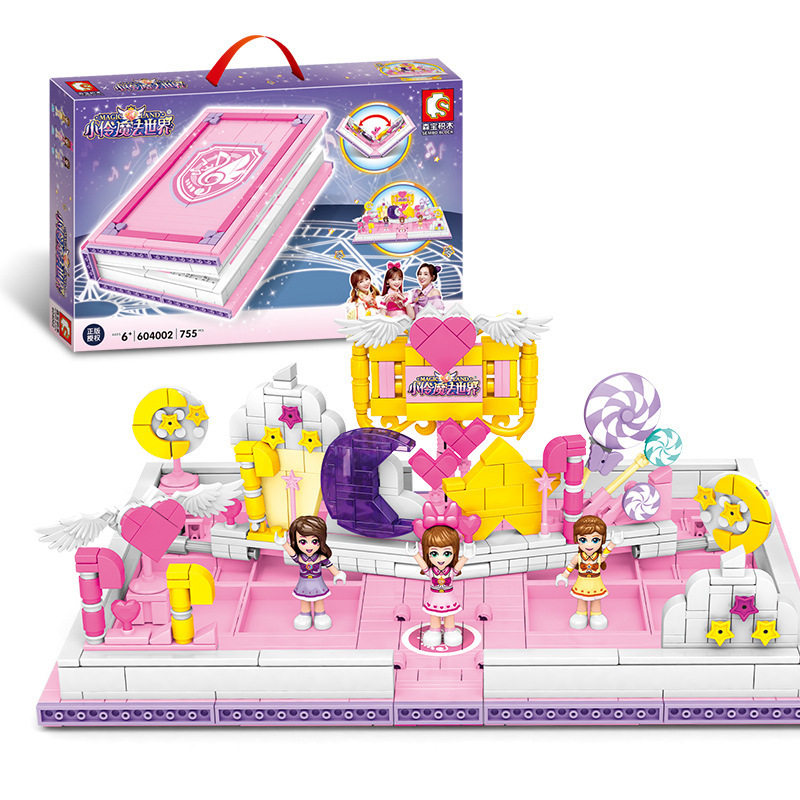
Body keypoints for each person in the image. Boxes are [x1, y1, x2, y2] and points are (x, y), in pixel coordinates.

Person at [555, 515, 623, 630]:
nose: (589, 545)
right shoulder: (578, 557)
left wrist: (613, 543)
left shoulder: (598, 557)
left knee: (596, 599)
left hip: (595, 582)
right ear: (577, 539)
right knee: (581, 599)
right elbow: (571, 566)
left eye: (595, 540)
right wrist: (564, 576)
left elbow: (606, 553)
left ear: (602, 539)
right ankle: (581, 613)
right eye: (583, 540)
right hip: (582, 581)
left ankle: (596, 614)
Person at [409, 525, 469, 647]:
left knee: (449, 616)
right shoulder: (431, 572)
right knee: (434, 616)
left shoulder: (450, 571)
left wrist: (466, 557)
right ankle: (434, 630)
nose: (440, 558)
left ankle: (450, 630)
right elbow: (423, 566)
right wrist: (415, 555)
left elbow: (458, 567)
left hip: (448, 598)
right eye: (434, 553)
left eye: (446, 553)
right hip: (434, 598)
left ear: (454, 552)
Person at [282, 515, 346, 631]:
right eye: (303, 541)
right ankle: (304, 614)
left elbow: (330, 566)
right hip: (304, 583)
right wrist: (284, 544)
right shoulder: (300, 558)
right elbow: (292, 554)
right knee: (304, 599)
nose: (309, 546)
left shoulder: (321, 557)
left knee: (319, 599)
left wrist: (338, 574)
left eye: (314, 541)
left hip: (317, 582)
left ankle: (320, 614)